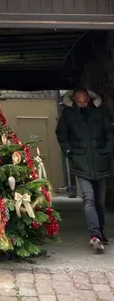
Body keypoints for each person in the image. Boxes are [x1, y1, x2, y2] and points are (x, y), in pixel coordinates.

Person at [56, 87, 114, 252]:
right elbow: (61, 134)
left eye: (84, 101)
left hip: (100, 161)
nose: (82, 105)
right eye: (79, 102)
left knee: (100, 202)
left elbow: (110, 132)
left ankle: (100, 232)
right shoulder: (68, 115)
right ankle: (94, 234)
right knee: (88, 198)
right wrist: (69, 152)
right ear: (74, 100)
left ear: (89, 100)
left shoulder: (100, 112)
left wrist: (108, 150)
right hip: (81, 162)